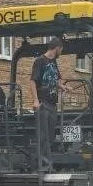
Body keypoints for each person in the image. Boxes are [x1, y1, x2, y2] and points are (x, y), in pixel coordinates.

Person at [29, 37, 69, 167]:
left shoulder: (53, 62)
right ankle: (41, 164)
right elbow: (33, 81)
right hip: (43, 103)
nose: (61, 53)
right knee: (43, 136)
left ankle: (46, 161)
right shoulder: (40, 61)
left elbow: (56, 79)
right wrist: (35, 100)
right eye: (61, 50)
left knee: (51, 135)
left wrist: (63, 87)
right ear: (57, 48)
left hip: (52, 104)